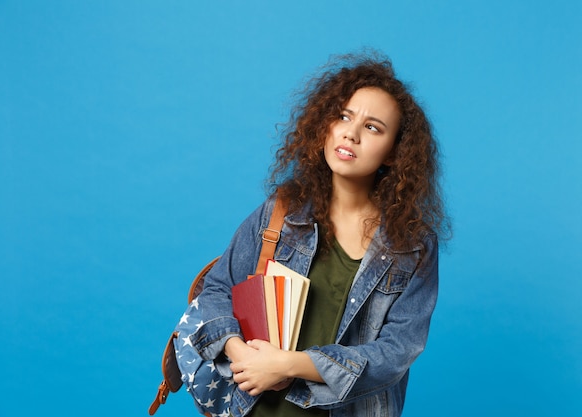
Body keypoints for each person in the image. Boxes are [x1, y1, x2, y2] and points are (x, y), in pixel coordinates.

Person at [190, 51, 449, 417]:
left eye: (373, 127)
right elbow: (216, 290)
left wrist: (290, 365)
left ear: (394, 153)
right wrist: (239, 352)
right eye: (343, 116)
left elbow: (397, 351)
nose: (351, 133)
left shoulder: (411, 245)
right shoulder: (280, 213)